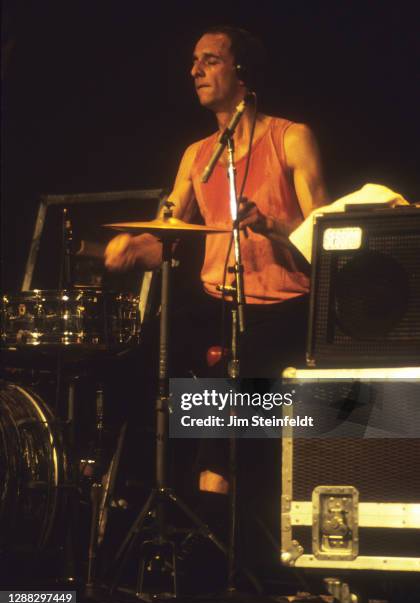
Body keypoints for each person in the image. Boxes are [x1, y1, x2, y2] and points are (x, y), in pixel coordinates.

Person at [105, 26, 329, 498]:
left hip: (281, 314)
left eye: (209, 60)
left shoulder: (291, 139)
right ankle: (125, 491)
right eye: (193, 61)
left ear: (242, 71)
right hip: (217, 308)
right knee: (132, 369)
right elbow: (166, 237)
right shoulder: (196, 156)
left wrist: (270, 226)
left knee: (222, 431)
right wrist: (130, 247)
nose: (195, 70)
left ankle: (215, 539)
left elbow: (324, 244)